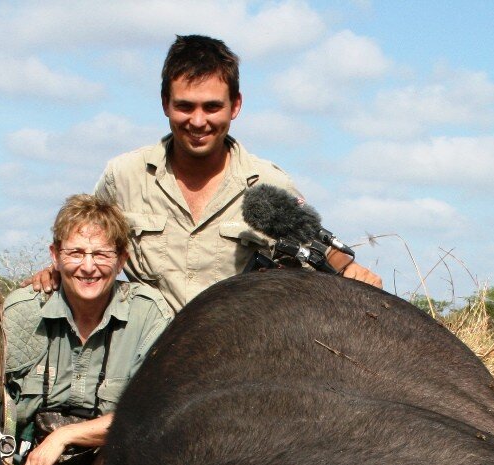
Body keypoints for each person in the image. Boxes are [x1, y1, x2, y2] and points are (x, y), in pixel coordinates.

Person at [35, 34, 381, 311]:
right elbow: (86, 249)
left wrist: (353, 274)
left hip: (231, 365)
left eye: (212, 107)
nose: (198, 121)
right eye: (185, 106)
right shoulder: (123, 175)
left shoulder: (270, 182)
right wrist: (54, 274)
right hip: (144, 362)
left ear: (236, 106)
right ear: (165, 104)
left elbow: (321, 261)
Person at [0, 194, 172, 465]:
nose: (88, 267)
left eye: (101, 254)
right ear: (55, 256)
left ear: (122, 260)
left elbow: (151, 414)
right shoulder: (22, 309)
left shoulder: (149, 313)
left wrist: (64, 437)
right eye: (75, 253)